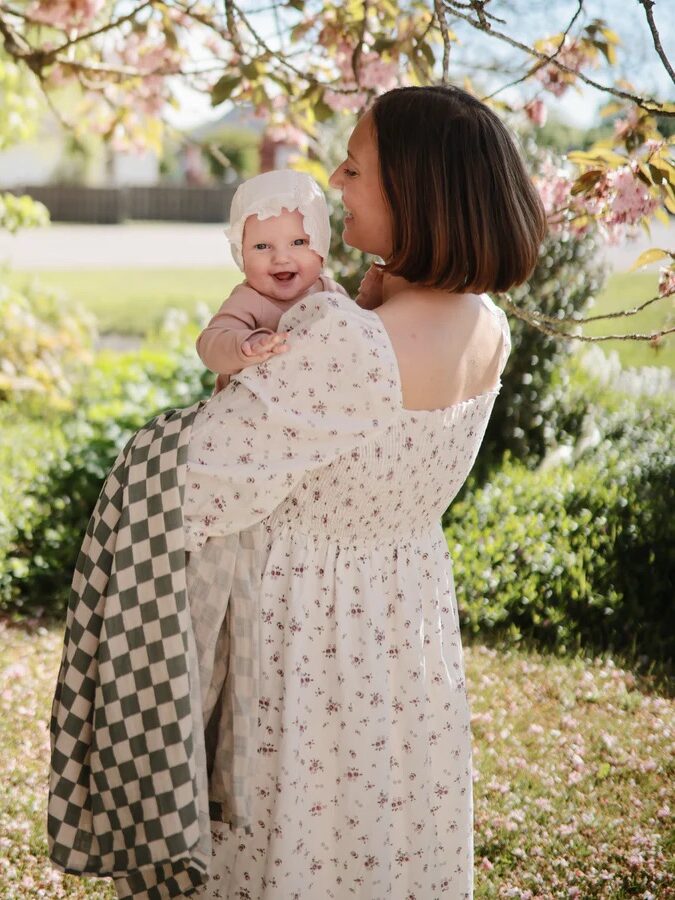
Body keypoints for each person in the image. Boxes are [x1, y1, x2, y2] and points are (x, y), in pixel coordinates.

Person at [47, 84, 546, 900]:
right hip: (401, 627)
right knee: (378, 836)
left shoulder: (349, 341)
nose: (335, 184)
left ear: (417, 191)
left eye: (354, 168)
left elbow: (197, 487)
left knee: (290, 846)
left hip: (304, 638)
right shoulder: (483, 321)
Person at [197, 169, 349, 393]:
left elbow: (360, 334)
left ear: (320, 245)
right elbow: (210, 345)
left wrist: (370, 301)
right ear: (241, 254)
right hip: (249, 418)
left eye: (298, 242)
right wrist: (245, 346)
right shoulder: (249, 299)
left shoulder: (331, 292)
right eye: (262, 246)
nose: (281, 258)